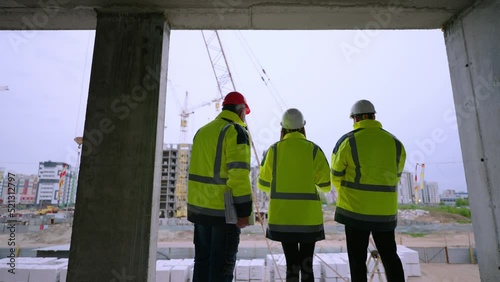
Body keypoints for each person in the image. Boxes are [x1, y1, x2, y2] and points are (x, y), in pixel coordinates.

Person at [330, 100, 406, 282]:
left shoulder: (348, 141)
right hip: (384, 213)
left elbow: (336, 175)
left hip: (355, 211)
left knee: (357, 260)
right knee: (390, 256)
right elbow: (396, 175)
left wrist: (346, 193)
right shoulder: (395, 143)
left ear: (354, 118)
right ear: (374, 116)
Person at [258, 108, 331, 282]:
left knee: (291, 265)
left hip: (283, 219)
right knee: (307, 266)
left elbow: (263, 184)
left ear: (282, 129)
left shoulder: (274, 150)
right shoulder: (314, 150)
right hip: (308, 220)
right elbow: (326, 186)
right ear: (303, 128)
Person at [187, 91, 253, 282]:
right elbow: (239, 176)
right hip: (223, 213)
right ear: (241, 112)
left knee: (202, 263)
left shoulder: (202, 131)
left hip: (200, 210)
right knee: (222, 267)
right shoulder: (236, 132)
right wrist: (244, 212)